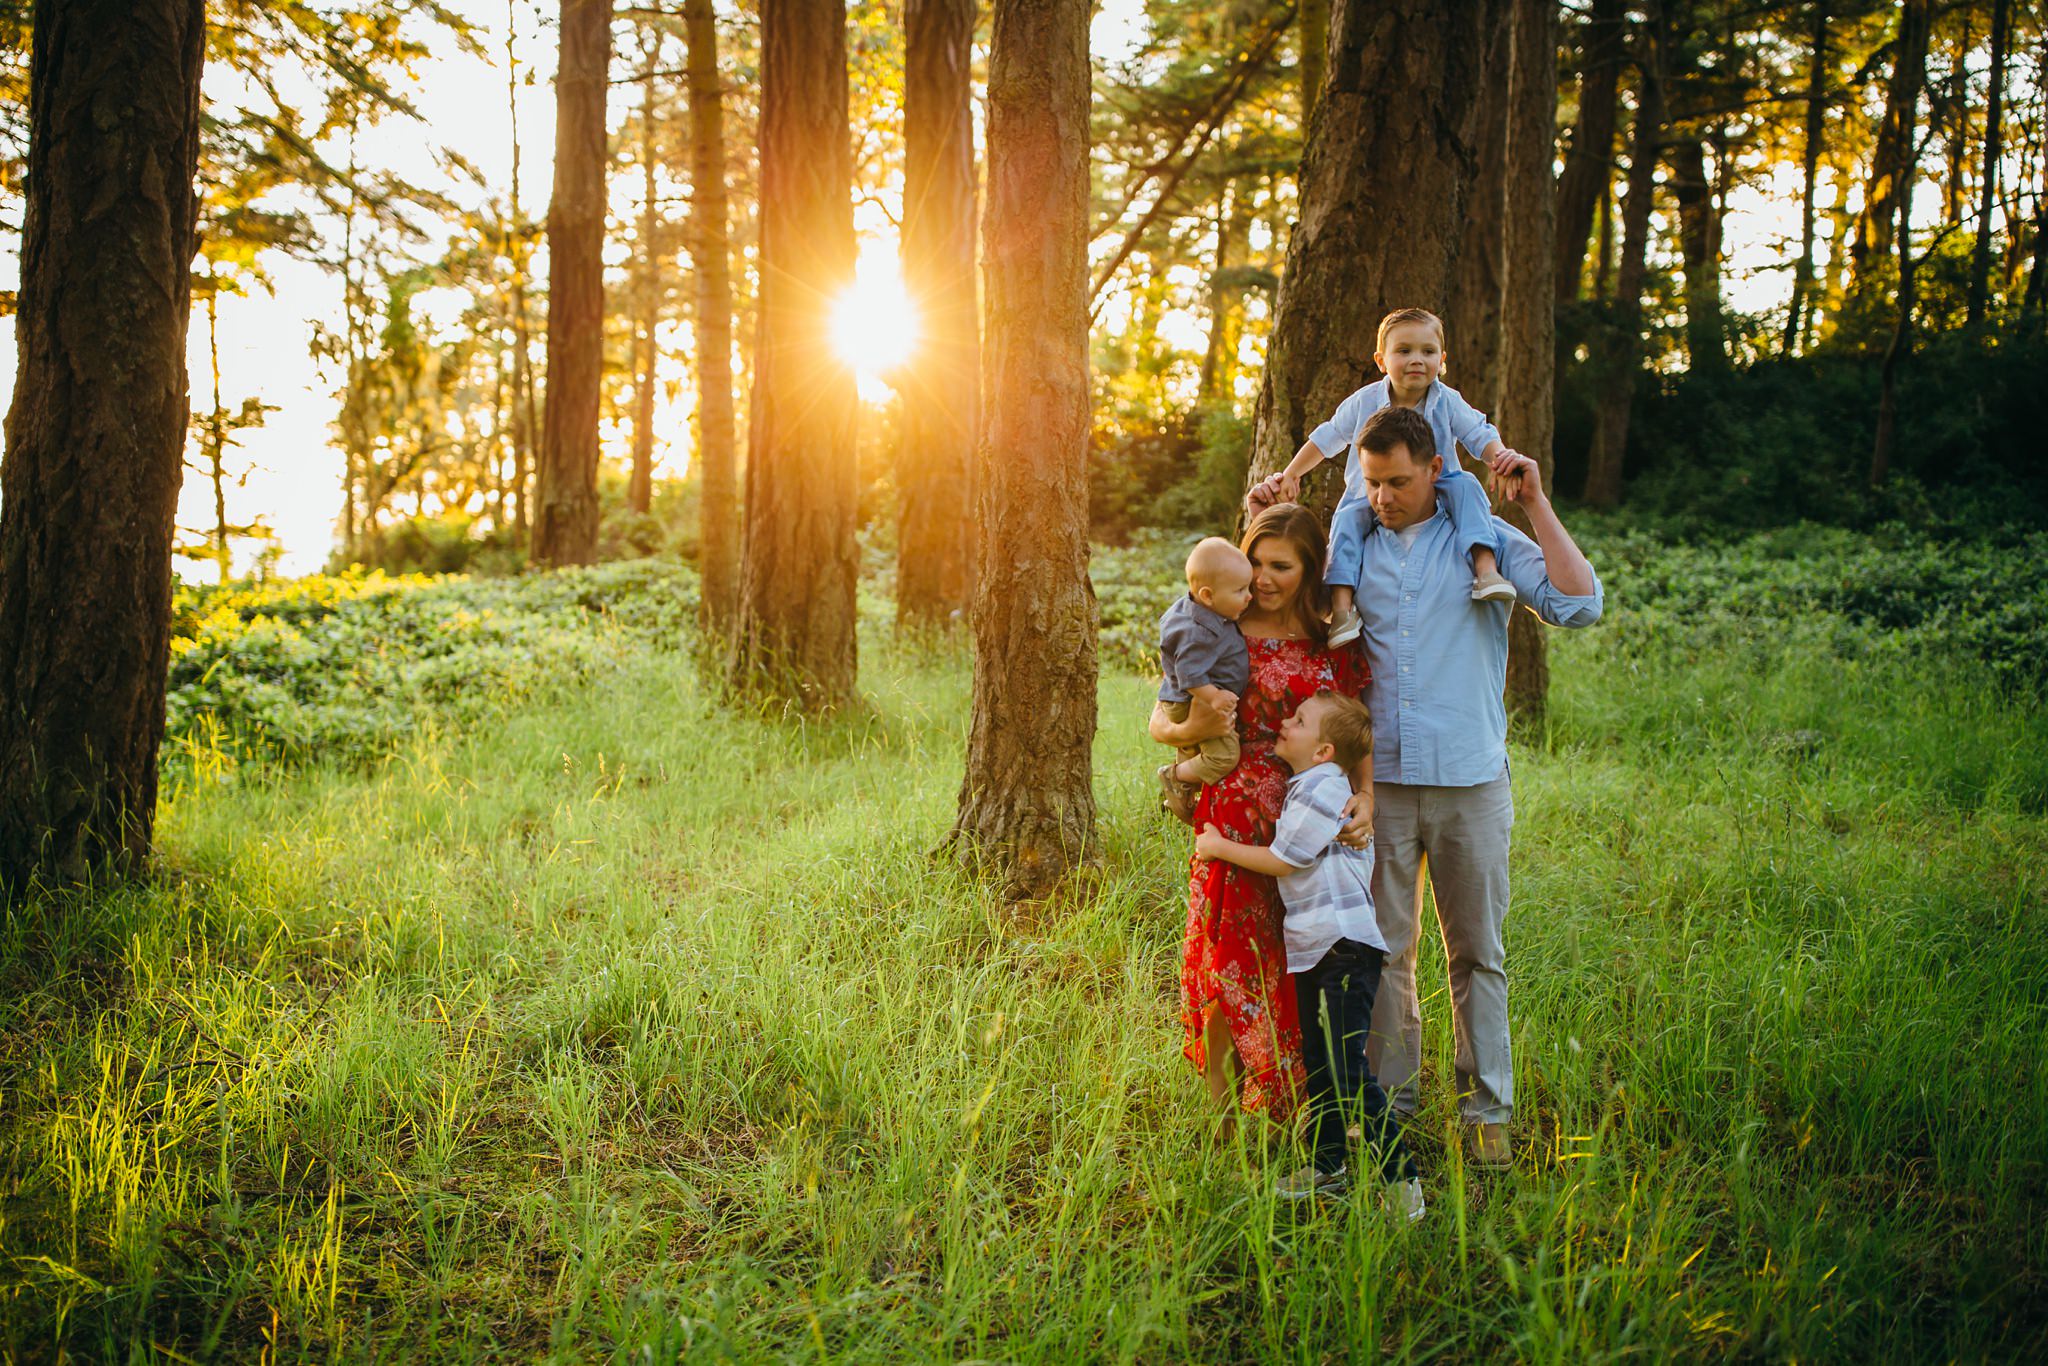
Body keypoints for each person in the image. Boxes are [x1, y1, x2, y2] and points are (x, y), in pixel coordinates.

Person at [1340, 403, 1603, 1169]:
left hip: (1470, 782)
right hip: (1380, 787)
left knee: (1476, 954)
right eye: (1371, 483)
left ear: (1433, 471)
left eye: (1396, 482)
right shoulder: (1356, 546)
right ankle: (1390, 1104)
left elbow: (1579, 605)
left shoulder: (1481, 541)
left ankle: (1487, 1109)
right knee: (1385, 951)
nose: (1382, 497)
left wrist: (1536, 504)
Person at [1148, 504, 1370, 1129]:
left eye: (1282, 566)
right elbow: (1159, 719)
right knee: (1230, 950)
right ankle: (1220, 1096)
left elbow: (1360, 729)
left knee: (1300, 956)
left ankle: (1297, 1100)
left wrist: (1367, 798)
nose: (1265, 579)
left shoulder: (1335, 639)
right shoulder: (1219, 624)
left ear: (1309, 570)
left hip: (1310, 821)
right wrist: (1192, 732)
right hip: (1235, 813)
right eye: (1255, 564)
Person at [1195, 690, 1424, 1218]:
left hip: (1342, 947)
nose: (1284, 722)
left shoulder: (1323, 788)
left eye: (1297, 720)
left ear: (1322, 751)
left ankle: (1401, 1178)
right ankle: (1328, 1165)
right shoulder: (1312, 784)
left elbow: (1286, 859)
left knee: (1347, 1071)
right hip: (1317, 949)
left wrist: (1216, 846)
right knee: (1320, 1066)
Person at [1251, 308, 1519, 646]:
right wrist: (1291, 474)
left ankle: (1485, 570)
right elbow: (1328, 437)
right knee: (1346, 521)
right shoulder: (1365, 401)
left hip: (1441, 488)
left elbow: (1479, 434)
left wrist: (1502, 459)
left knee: (1468, 487)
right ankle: (1342, 609)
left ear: (1442, 359)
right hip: (1370, 494)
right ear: (1381, 360)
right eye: (1404, 351)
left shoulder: (1447, 401)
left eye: (1428, 351)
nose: (1417, 360)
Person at [1156, 537, 1255, 824]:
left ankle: (1182, 790)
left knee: (1192, 747)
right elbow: (1189, 673)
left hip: (1179, 700)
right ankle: (1175, 777)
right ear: (1208, 595)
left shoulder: (1193, 608)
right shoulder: (1199, 632)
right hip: (1195, 700)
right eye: (1240, 590)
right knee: (1223, 756)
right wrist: (1213, 696)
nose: (1250, 596)